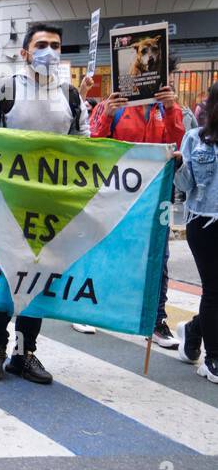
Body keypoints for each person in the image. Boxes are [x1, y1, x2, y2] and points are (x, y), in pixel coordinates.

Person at [0, 23, 90, 384]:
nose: (49, 51)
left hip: (51, 208)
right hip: (7, 205)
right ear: (25, 53)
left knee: (39, 278)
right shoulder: (6, 90)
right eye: (42, 45)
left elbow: (86, 148)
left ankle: (25, 352)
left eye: (56, 45)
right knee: (6, 276)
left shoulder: (72, 97)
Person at [81, 65, 187, 347]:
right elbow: (94, 146)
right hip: (117, 196)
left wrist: (172, 108)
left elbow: (178, 143)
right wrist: (108, 114)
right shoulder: (110, 106)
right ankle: (88, 310)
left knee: (158, 257)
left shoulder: (167, 108)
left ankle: (156, 320)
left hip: (156, 198)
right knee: (107, 251)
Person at [174, 81, 218, 380]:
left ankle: (193, 329)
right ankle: (213, 357)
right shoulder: (195, 139)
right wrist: (178, 166)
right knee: (214, 289)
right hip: (204, 222)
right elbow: (184, 186)